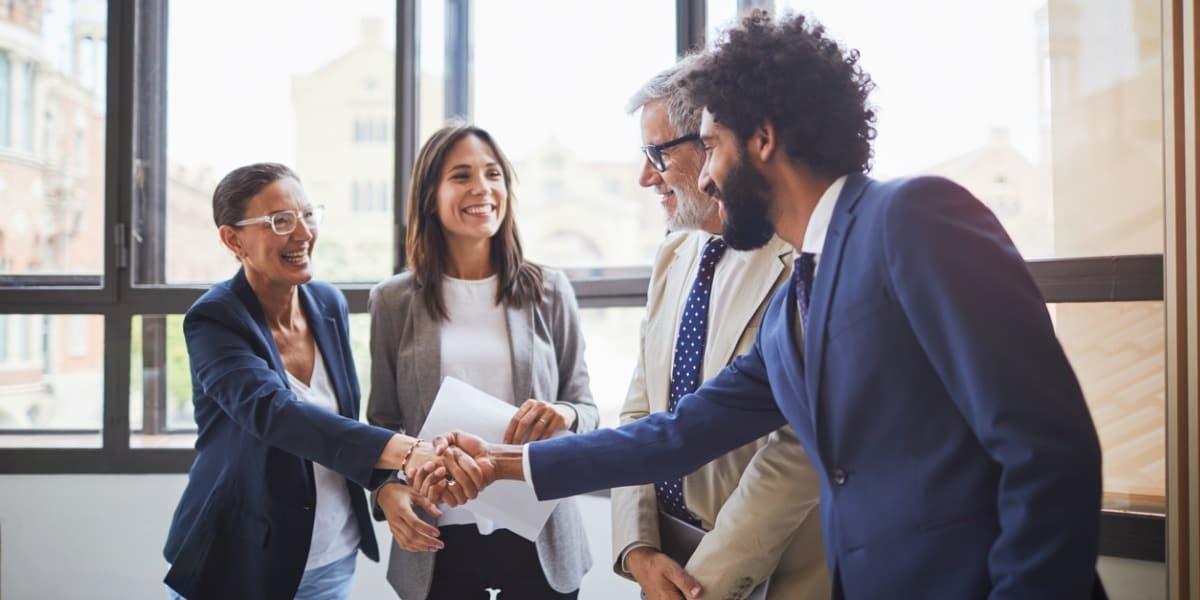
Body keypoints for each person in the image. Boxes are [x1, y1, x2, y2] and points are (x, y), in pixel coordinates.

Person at [434, 11, 1107, 600]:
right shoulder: (794, 309)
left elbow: (1048, 452)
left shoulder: (912, 218)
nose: (702, 175)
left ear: (761, 139)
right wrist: (502, 463)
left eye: (713, 147)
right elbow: (677, 433)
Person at [163, 163, 485, 600]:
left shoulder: (327, 302)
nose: (302, 233)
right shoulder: (214, 319)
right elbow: (275, 414)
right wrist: (405, 452)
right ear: (232, 239)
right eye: (280, 221)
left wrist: (385, 482)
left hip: (331, 557)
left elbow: (340, 424)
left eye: (307, 214)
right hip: (240, 561)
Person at [613, 59, 827, 600]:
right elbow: (641, 410)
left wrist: (704, 583)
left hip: (765, 571)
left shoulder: (801, 260)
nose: (646, 176)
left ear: (712, 144)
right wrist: (638, 549)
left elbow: (797, 447)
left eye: (658, 155)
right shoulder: (674, 252)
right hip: (666, 558)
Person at [366, 123, 596, 600]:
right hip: (438, 533)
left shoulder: (549, 291)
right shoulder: (393, 301)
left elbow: (586, 408)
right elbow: (383, 422)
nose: (482, 189)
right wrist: (387, 489)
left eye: (493, 174)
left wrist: (566, 414)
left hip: (539, 533)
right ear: (430, 196)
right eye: (461, 175)